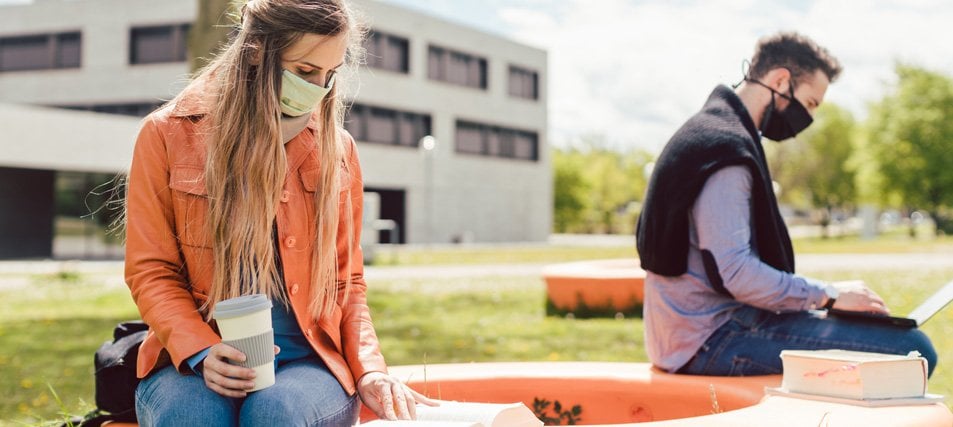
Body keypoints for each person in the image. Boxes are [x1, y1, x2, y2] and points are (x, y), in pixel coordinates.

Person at [124, 0, 433, 425]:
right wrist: (200, 350)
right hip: (190, 363)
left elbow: (348, 282)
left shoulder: (337, 148)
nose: (319, 89)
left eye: (329, 74)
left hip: (308, 364)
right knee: (193, 416)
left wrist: (371, 370)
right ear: (256, 53)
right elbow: (151, 270)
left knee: (275, 413)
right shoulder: (166, 133)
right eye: (305, 71)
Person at [636, 31, 937, 376]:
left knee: (890, 337)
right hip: (710, 339)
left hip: (700, 329)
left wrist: (826, 302)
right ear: (780, 80)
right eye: (809, 103)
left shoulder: (710, 130)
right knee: (912, 349)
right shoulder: (726, 151)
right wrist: (830, 295)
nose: (806, 120)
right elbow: (736, 273)